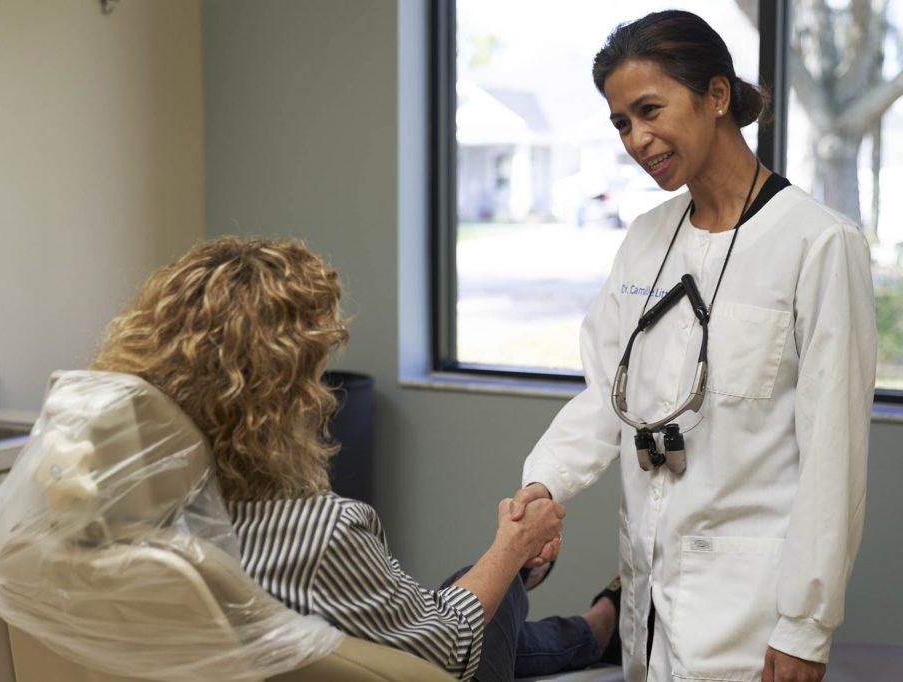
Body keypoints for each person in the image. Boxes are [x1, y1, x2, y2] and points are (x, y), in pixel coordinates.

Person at [509, 10, 876, 682]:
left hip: (752, 613)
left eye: (650, 110)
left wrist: (805, 625)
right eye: (621, 122)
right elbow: (606, 397)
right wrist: (544, 484)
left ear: (715, 96)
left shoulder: (818, 243)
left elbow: (835, 454)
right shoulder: (646, 238)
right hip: (648, 599)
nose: (637, 138)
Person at [88, 237, 618, 681]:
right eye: (315, 373)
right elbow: (448, 648)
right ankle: (592, 620)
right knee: (479, 588)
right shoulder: (319, 534)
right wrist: (513, 547)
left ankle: (590, 627)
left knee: (469, 582)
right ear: (281, 392)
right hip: (440, 659)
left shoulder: (115, 507)